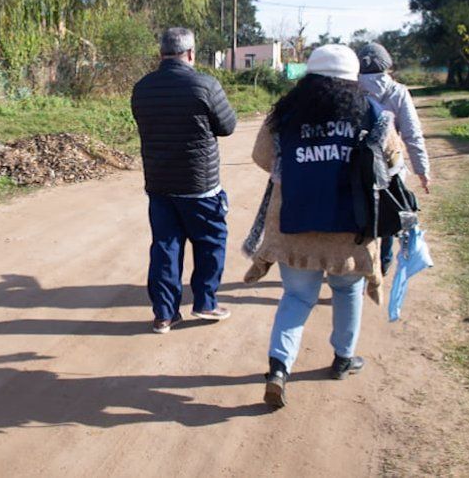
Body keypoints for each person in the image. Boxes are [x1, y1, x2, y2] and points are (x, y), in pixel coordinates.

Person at [250, 44, 399, 408]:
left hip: (294, 227)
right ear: (353, 79)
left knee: (297, 297)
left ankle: (279, 369)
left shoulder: (285, 115)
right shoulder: (372, 113)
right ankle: (343, 359)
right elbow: (393, 161)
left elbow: (262, 157)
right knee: (347, 291)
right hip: (351, 230)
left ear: (309, 77)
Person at [131, 27, 237, 334]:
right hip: (200, 184)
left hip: (160, 182)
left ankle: (164, 315)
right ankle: (205, 302)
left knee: (165, 247)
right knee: (210, 242)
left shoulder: (142, 87)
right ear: (190, 53)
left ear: (161, 53)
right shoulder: (205, 84)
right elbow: (227, 126)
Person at [356, 42, 431, 276]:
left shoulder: (349, 89)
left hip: (357, 165)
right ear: (387, 65)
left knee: (359, 211)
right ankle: (383, 264)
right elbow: (412, 133)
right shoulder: (397, 92)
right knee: (388, 212)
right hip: (390, 166)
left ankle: (357, 266)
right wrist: (422, 170)